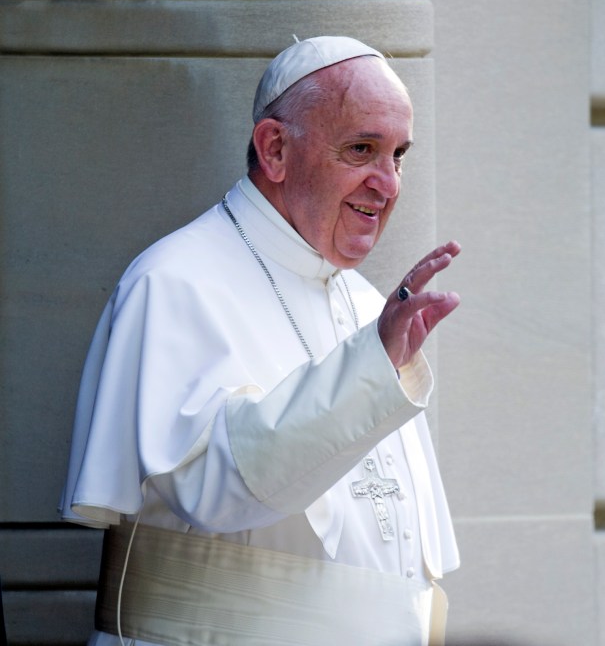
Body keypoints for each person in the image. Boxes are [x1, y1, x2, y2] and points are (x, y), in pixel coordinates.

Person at [59, 36, 460, 646]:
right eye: (361, 149)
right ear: (275, 149)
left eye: (398, 155)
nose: (389, 184)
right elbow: (213, 493)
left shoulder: (368, 305)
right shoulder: (173, 282)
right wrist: (369, 369)